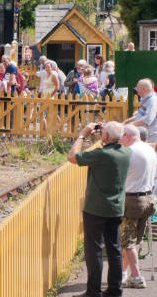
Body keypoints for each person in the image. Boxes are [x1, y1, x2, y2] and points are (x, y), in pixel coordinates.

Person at [67, 121, 131, 297]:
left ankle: (93, 291)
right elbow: (114, 140)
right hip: (116, 208)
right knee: (114, 249)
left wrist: (83, 134)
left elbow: (72, 157)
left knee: (94, 250)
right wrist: (106, 133)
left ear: (106, 137)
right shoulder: (127, 152)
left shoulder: (102, 155)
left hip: (96, 209)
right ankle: (114, 290)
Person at [118, 124, 156, 289]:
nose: (120, 140)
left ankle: (137, 277)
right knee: (134, 240)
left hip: (133, 200)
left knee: (127, 241)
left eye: (121, 136)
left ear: (127, 135)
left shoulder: (130, 152)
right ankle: (123, 273)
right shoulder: (148, 149)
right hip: (148, 199)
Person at [124, 79, 157, 144]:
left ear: (144, 89)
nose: (136, 89)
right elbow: (140, 115)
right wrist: (126, 122)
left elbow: (148, 118)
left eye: (138, 87)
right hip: (145, 135)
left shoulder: (152, 100)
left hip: (151, 137)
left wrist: (131, 125)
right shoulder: (146, 99)